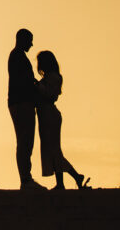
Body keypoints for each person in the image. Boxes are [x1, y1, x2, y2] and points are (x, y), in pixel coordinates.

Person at [35, 50, 89, 190]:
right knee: (52, 150)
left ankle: (67, 180)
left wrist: (37, 85)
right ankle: (70, 179)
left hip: (49, 115)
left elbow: (50, 94)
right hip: (45, 115)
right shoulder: (49, 77)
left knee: (54, 150)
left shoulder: (54, 77)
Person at [8, 28, 44, 190]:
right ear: (22, 39)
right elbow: (24, 81)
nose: (31, 44)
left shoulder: (18, 56)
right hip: (21, 102)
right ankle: (25, 179)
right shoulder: (17, 56)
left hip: (20, 102)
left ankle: (26, 178)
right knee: (25, 140)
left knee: (25, 141)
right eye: (30, 40)